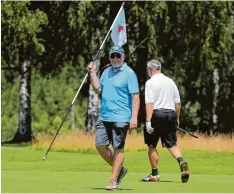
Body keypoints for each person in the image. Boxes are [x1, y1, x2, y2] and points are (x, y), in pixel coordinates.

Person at [88, 46, 140, 190]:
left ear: (123, 57)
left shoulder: (129, 73)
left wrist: (134, 117)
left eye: (118, 56)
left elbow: (135, 96)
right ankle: (120, 170)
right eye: (113, 56)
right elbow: (98, 88)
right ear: (110, 58)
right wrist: (92, 72)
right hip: (105, 116)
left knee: (118, 147)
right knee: (100, 145)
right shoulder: (106, 72)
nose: (115, 59)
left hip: (121, 117)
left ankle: (113, 179)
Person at [142, 59, 190, 183]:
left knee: (152, 145)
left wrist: (148, 121)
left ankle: (154, 174)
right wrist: (177, 118)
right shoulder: (170, 82)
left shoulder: (150, 82)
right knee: (172, 145)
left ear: (150, 70)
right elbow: (178, 103)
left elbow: (149, 103)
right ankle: (181, 161)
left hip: (156, 115)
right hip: (170, 114)